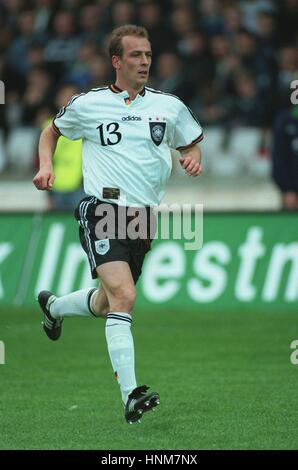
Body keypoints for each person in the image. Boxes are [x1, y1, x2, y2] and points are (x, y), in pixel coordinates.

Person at [33, 24, 203, 424]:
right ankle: (131, 395)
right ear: (116, 61)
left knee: (108, 301)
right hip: (103, 210)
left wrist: (193, 157)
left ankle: (55, 307)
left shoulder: (169, 106)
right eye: (135, 55)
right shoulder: (88, 105)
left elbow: (190, 141)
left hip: (144, 220)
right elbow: (50, 132)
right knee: (124, 297)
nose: (144, 62)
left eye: (147, 55)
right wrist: (45, 165)